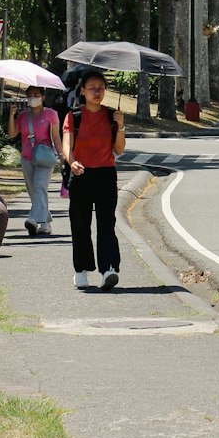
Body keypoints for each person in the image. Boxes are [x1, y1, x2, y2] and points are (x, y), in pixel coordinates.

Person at [62, 73, 125, 291]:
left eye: (101, 87)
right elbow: (66, 145)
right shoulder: (74, 116)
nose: (97, 91)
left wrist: (121, 126)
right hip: (81, 175)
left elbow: (118, 149)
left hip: (106, 175)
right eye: (92, 87)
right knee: (80, 225)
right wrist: (72, 162)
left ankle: (109, 269)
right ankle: (81, 270)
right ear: (83, 91)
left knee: (106, 224)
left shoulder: (111, 116)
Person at [7, 86, 63, 236]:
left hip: (45, 157)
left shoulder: (51, 114)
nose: (33, 97)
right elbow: (12, 134)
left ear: (43, 98)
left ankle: (32, 219)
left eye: (36, 95)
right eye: (30, 95)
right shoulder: (23, 116)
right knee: (33, 190)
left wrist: (62, 155)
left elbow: (56, 137)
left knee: (40, 186)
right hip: (27, 157)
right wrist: (12, 115)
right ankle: (45, 223)